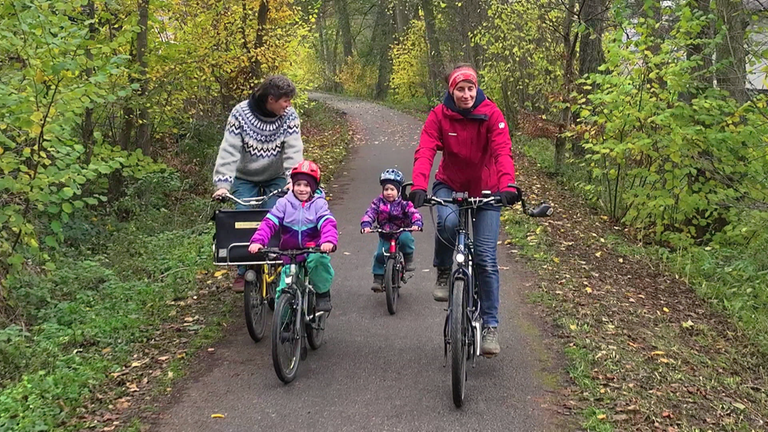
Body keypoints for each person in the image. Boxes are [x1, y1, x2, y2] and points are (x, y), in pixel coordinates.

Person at [408, 64, 519, 356]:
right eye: (460, 89)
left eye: (470, 88)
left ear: (476, 89)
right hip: (450, 184)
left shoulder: (492, 113)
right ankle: (444, 271)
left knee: (485, 257)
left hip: (487, 188)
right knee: (446, 223)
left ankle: (491, 324)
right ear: (451, 91)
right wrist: (419, 185)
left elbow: (502, 151)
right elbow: (425, 149)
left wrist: (507, 186)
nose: (466, 94)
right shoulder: (438, 115)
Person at [211, 75, 303, 292]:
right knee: (243, 219)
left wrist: (293, 179)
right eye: (285, 100)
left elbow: (293, 150)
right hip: (245, 177)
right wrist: (222, 184)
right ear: (271, 99)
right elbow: (229, 149)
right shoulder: (240, 113)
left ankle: (276, 263)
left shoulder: (289, 116)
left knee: (274, 218)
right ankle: (244, 271)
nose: (288, 105)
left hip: (276, 176)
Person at [248, 160, 337, 312]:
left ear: (313, 187)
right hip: (290, 253)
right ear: (292, 185)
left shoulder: (319, 204)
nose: (302, 189)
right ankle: (285, 326)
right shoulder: (284, 203)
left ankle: (322, 294)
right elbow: (269, 223)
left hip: (313, 249)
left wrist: (328, 240)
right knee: (284, 290)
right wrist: (258, 241)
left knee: (319, 262)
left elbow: (327, 222)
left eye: (307, 185)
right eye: (298, 184)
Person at [361, 168, 423, 292]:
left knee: (407, 239)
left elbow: (413, 213)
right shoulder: (378, 202)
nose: (389, 192)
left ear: (398, 191)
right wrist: (366, 224)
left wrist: (416, 223)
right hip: (385, 233)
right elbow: (370, 213)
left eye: (392, 189)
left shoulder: (404, 203)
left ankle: (408, 257)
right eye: (386, 189)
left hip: (401, 230)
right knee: (379, 254)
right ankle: (378, 278)